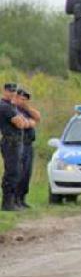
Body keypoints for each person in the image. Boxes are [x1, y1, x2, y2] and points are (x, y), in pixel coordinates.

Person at [1, 83, 36, 211]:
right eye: (10, 91)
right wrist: (27, 122)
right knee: (12, 172)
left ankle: (12, 202)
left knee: (17, 173)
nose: (12, 93)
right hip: (10, 142)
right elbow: (20, 124)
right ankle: (7, 203)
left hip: (17, 142)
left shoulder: (11, 106)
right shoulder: (4, 106)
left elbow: (32, 119)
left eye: (14, 91)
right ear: (4, 91)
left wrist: (24, 121)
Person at [13, 89, 40, 209]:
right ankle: (15, 199)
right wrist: (30, 122)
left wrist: (27, 108)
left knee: (26, 173)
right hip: (19, 144)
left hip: (28, 144)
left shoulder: (26, 110)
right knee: (18, 172)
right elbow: (23, 123)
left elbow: (37, 117)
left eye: (26, 100)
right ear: (16, 97)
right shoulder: (12, 109)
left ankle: (22, 198)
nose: (23, 101)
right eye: (21, 99)